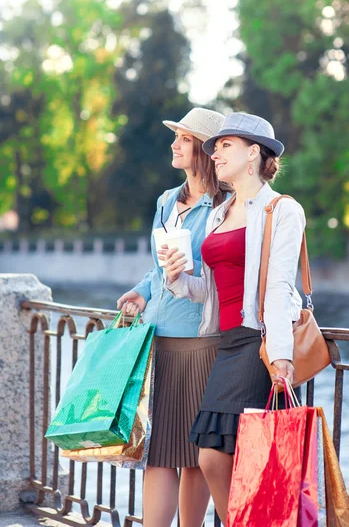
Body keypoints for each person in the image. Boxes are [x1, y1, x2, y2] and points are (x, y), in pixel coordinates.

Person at [164, 112, 306, 525]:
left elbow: (279, 286)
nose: (215, 153)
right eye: (215, 146)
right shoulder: (218, 212)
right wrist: (178, 278)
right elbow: (208, 290)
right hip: (225, 341)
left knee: (214, 454)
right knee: (223, 453)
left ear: (253, 153)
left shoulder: (282, 210)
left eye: (225, 145)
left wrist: (281, 356)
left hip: (258, 341)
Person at [117, 107, 232, 527]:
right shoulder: (167, 201)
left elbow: (224, 271)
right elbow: (156, 267)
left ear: (203, 148)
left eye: (182, 138)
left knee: (195, 457)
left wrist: (188, 274)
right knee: (159, 453)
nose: (173, 144)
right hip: (159, 338)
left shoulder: (226, 206)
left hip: (203, 343)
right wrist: (141, 292)